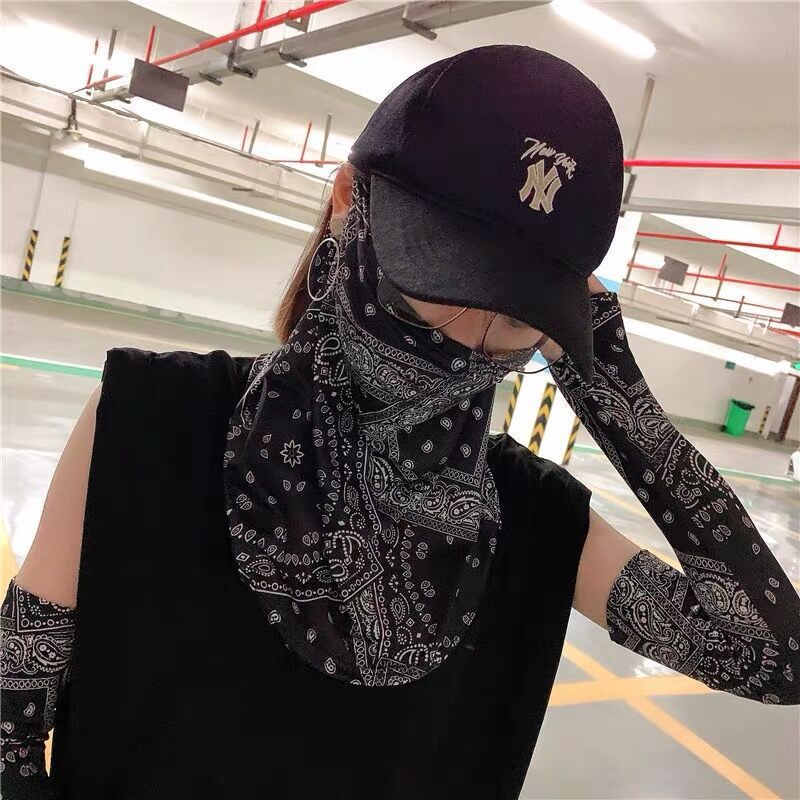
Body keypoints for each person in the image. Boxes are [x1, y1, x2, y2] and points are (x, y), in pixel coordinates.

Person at [2, 44, 798, 800]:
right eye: (443, 284)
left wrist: (615, 394)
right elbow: (12, 715)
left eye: (515, 320)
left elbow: (773, 658)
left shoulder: (535, 523)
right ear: (349, 200)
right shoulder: (151, 420)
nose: (465, 346)